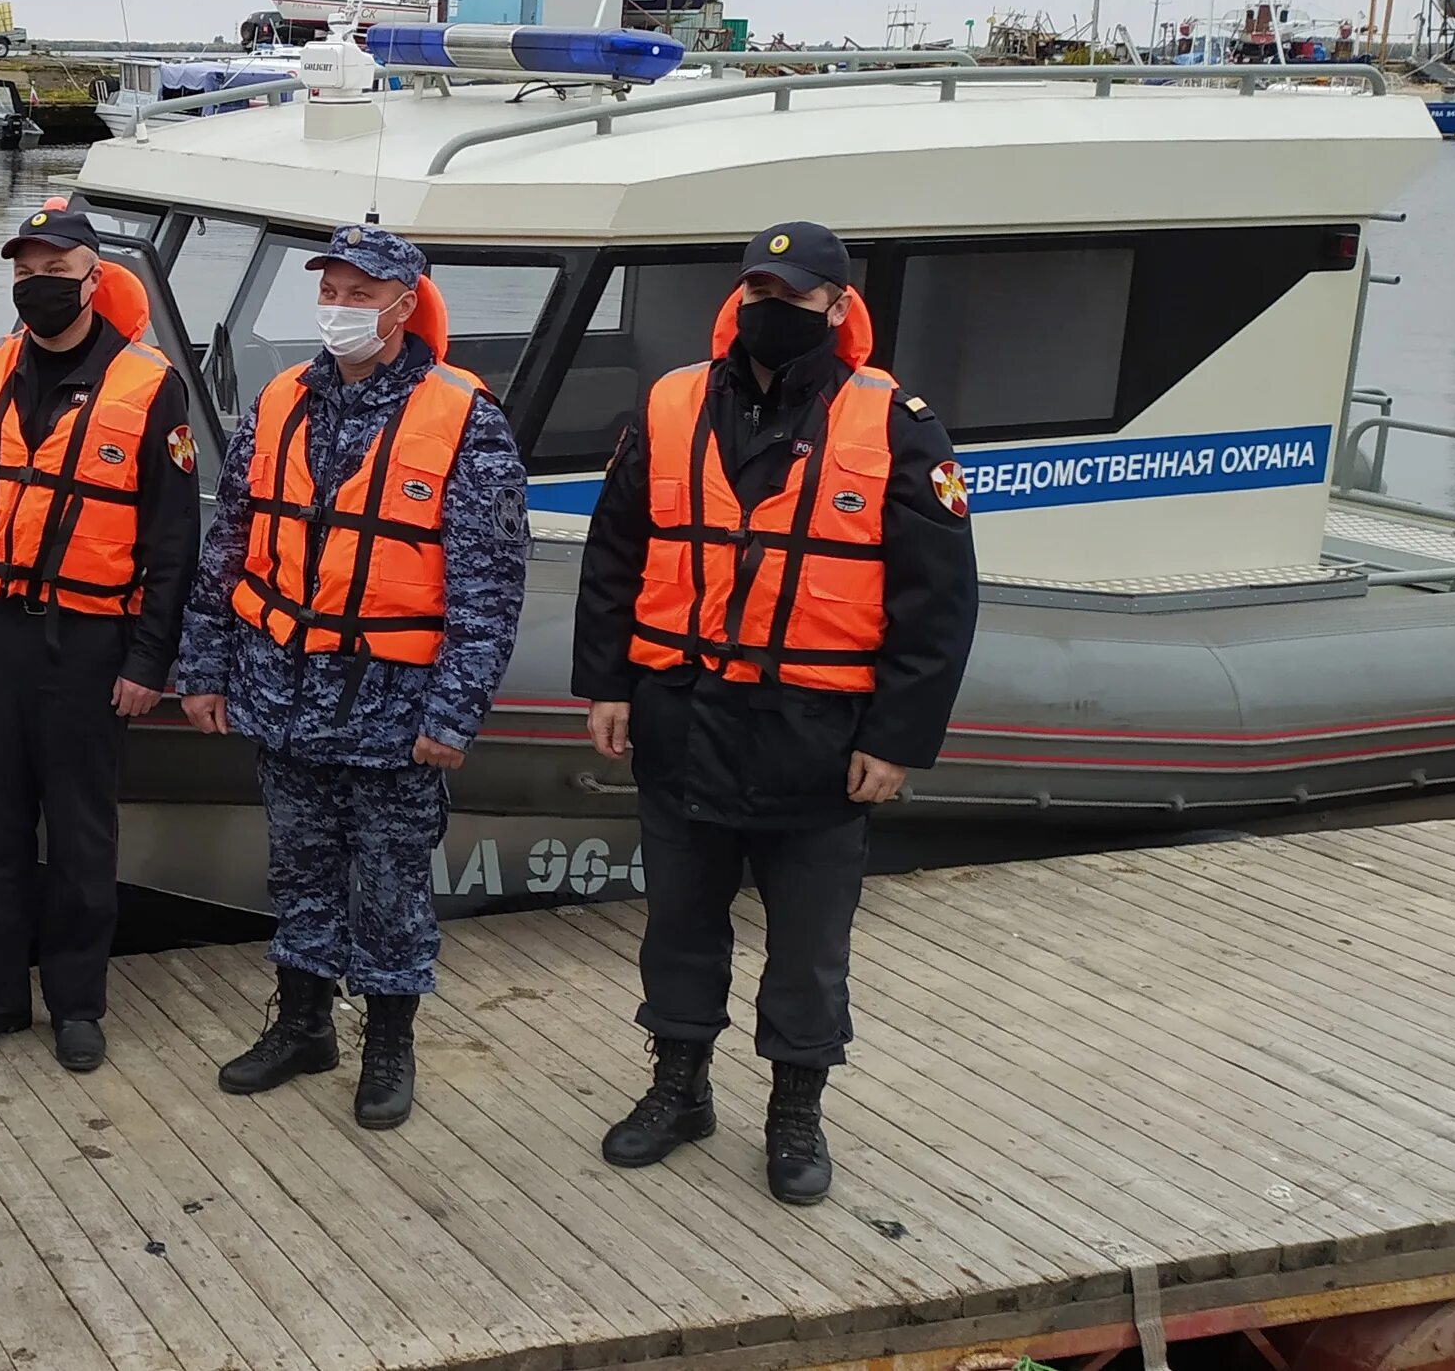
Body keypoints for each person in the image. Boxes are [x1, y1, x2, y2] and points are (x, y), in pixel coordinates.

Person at [571, 220, 977, 1205]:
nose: (769, 309)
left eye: (793, 295)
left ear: (837, 307)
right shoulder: (671, 403)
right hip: (684, 715)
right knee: (678, 925)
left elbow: (940, 599)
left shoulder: (897, 422)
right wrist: (610, 683)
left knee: (806, 945)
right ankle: (679, 1088)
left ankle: (795, 1111)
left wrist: (896, 738)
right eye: (758, 288)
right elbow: (616, 551)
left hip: (818, 734)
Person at [174, 224, 526, 1131]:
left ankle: (388, 1045)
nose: (340, 306)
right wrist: (204, 664)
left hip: (393, 707)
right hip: (283, 692)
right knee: (298, 872)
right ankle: (301, 1025)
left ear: (405, 304)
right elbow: (231, 547)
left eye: (361, 293)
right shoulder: (282, 399)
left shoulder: (462, 414)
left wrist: (454, 712)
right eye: (330, 288)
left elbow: (489, 585)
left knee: (392, 883)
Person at [0, 201, 199, 1071]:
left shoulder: (149, 386)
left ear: (93, 281)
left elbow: (172, 542)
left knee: (80, 835)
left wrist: (150, 658)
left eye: (56, 272)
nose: (39, 286)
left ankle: (78, 1005)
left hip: (87, 644)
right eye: (26, 272)